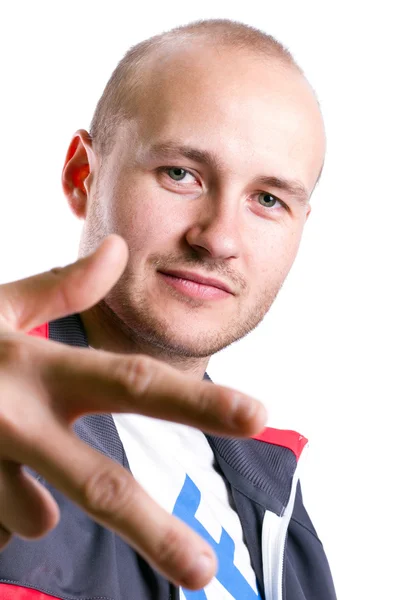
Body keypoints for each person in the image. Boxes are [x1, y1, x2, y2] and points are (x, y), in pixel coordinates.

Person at [0, 18, 336, 600]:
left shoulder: (279, 497)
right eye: (180, 174)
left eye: (267, 199)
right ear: (83, 175)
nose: (219, 238)